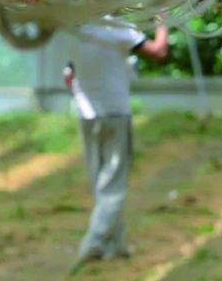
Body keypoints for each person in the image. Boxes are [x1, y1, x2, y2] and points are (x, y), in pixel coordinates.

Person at [63, 18, 168, 268]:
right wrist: (163, 24)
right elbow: (159, 52)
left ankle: (116, 245)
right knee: (113, 186)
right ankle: (95, 242)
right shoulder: (120, 27)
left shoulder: (73, 26)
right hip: (116, 112)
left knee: (101, 184)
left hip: (87, 114)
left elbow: (68, 75)